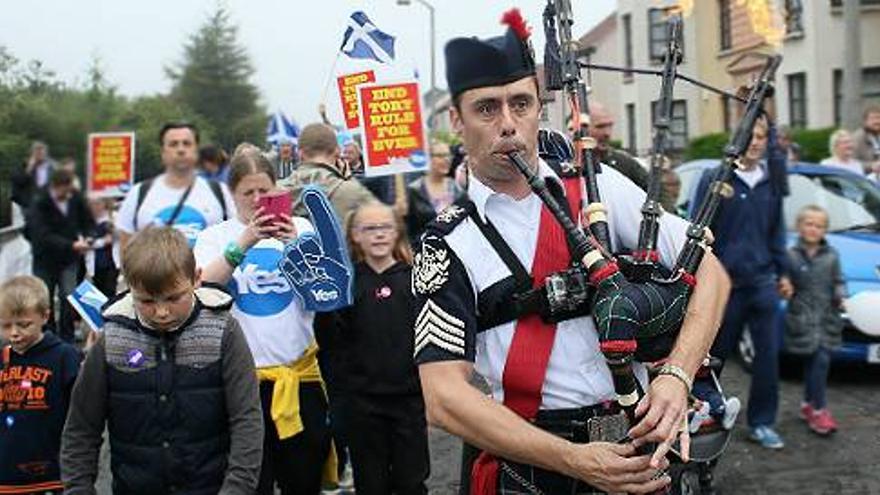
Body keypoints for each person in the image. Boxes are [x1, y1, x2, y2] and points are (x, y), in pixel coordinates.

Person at [415, 16, 729, 494]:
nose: (507, 125)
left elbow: (712, 272)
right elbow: (443, 396)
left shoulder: (597, 187)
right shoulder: (446, 242)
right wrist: (574, 460)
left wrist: (676, 375)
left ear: (540, 106)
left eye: (520, 103)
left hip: (639, 441)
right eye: (486, 109)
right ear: (456, 119)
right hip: (536, 461)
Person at [60, 227, 263, 494]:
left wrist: (236, 490)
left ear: (197, 278)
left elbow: (247, 420)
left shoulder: (224, 332)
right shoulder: (112, 339)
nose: (162, 312)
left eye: (173, 297)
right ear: (130, 288)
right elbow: (81, 428)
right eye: (146, 301)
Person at [194, 145, 334, 495]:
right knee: (250, 482)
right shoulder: (216, 236)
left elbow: (328, 292)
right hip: (242, 383)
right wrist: (243, 242)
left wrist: (295, 247)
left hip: (299, 376)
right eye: (248, 193)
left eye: (264, 191)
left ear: (277, 189)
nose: (257, 199)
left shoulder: (301, 228)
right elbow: (202, 289)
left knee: (303, 479)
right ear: (232, 193)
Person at [692, 118, 790, 449]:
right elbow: (697, 229)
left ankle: (762, 423)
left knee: (768, 356)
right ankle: (706, 410)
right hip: (723, 285)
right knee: (712, 354)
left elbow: (776, 231)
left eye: (761, 137)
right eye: (750, 136)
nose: (755, 142)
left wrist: (784, 272)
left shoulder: (771, 180)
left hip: (762, 282)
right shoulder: (715, 177)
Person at [326, 202, 429, 494]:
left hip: (408, 401)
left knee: (412, 480)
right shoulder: (347, 284)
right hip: (363, 405)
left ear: (396, 231)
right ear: (355, 235)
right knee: (371, 482)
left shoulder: (414, 279)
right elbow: (333, 342)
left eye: (385, 227)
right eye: (370, 228)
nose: (379, 234)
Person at [0, 276, 80, 495]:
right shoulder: (2, 358)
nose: (14, 333)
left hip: (51, 474)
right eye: (6, 326)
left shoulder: (65, 356)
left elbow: (81, 417)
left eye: (24, 324)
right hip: (6, 474)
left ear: (45, 315)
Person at [115, 122, 234, 251]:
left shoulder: (220, 193)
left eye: (187, 144)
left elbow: (235, 238)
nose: (181, 150)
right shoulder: (138, 194)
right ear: (163, 152)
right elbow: (125, 245)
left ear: (196, 150)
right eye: (173, 144)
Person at [783, 205, 844, 436]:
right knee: (813, 363)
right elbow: (784, 279)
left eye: (819, 226)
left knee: (820, 362)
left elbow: (839, 281)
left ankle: (816, 408)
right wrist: (785, 285)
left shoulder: (832, 255)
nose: (813, 229)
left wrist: (841, 296)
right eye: (809, 223)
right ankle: (811, 405)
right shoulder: (790, 255)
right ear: (799, 226)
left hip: (827, 318)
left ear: (825, 230)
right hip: (802, 318)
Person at [25, 169, 95, 343]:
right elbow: (41, 234)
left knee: (68, 295)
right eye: (65, 191)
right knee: (44, 298)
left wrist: (89, 237)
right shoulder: (39, 203)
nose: (68, 194)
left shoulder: (75, 198)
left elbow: (87, 221)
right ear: (56, 187)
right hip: (45, 259)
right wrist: (70, 244)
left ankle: (67, 335)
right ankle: (47, 334)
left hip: (69, 259)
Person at [280, 123, 375, 223]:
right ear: (338, 152)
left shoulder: (273, 192)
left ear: (300, 154)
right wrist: (348, 179)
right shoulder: (353, 192)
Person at [579, 101, 649, 191]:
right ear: (580, 128)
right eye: (600, 127)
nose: (607, 133)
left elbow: (655, 195)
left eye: (609, 126)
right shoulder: (568, 166)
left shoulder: (625, 164)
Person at [405, 141, 465, 245]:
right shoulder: (414, 190)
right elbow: (408, 230)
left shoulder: (457, 188)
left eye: (448, 155)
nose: (447, 159)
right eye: (440, 156)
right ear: (428, 159)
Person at [85, 195, 118, 299]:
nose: (95, 206)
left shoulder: (114, 217)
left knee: (110, 291)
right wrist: (103, 241)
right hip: (95, 263)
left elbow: (122, 235)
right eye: (92, 204)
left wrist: (114, 231)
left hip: (111, 262)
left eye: (98, 203)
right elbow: (86, 242)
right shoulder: (86, 221)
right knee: (97, 294)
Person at [11, 141, 56, 208]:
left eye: (41, 152)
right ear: (32, 154)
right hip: (27, 205)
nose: (39, 155)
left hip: (47, 204)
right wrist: (29, 167)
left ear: (46, 153)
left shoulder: (52, 167)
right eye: (37, 152)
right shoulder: (23, 166)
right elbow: (19, 181)